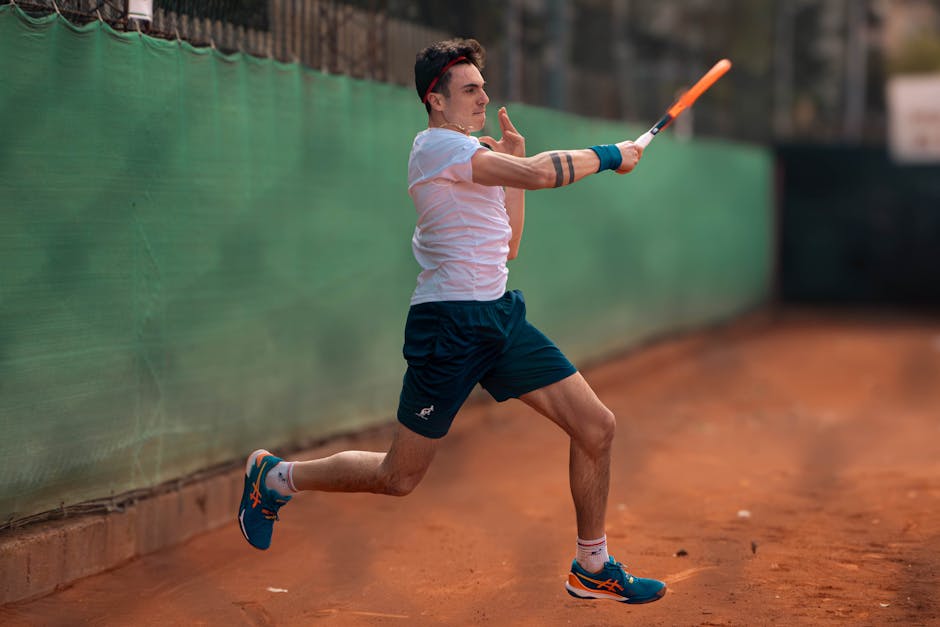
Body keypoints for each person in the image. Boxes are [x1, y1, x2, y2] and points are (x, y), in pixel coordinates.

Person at [238, 37, 666, 605]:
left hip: (499, 317)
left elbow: (510, 244)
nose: (483, 97)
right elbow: (541, 173)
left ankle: (592, 564)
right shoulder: (435, 148)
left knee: (596, 426)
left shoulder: (476, 156)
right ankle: (274, 477)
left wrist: (511, 165)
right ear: (436, 101)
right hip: (448, 327)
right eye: (470, 89)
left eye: (484, 87)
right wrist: (611, 155)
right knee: (399, 477)